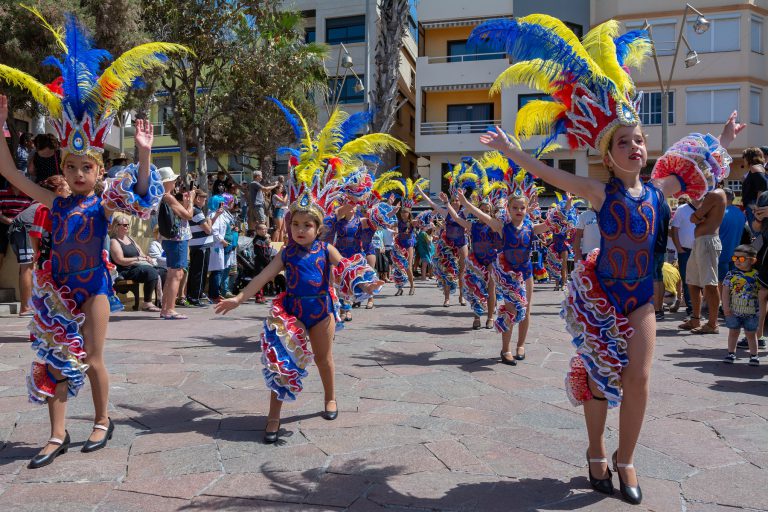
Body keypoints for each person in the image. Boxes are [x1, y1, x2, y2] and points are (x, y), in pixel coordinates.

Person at [469, 13, 743, 504]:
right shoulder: (598, 191)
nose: (635, 146)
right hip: (601, 297)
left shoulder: (662, 190)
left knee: (638, 377)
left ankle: (626, 458)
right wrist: (514, 151)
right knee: (598, 380)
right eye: (624, 142)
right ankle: (596, 448)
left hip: (640, 299)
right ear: (609, 154)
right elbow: (549, 176)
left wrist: (722, 140)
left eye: (639, 139)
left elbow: (704, 166)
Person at [0, 16, 176, 468]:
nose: (79, 174)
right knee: (55, 358)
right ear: (66, 165)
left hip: (93, 286)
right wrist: (2, 128)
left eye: (87, 167)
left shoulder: (102, 203)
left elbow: (140, 200)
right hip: (57, 289)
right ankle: (57, 433)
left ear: (99, 171)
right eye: (73, 165)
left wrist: (143, 154)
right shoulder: (53, 201)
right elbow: (10, 173)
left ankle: (102, 419)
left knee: (94, 358)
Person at [679, 181, 727, 334]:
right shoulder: (712, 195)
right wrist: (698, 216)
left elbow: (694, 217)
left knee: (710, 283)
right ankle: (695, 318)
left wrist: (698, 216)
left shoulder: (715, 194)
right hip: (701, 242)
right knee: (692, 282)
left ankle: (713, 324)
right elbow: (695, 218)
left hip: (707, 242)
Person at [158, 168, 194, 319]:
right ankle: (169, 309)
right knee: (176, 273)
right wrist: (191, 200)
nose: (174, 182)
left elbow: (182, 215)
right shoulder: (168, 197)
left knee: (173, 272)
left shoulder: (163, 196)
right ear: (167, 181)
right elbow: (188, 215)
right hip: (177, 239)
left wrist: (185, 203)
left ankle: (166, 308)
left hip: (170, 239)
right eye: (172, 180)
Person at [109, 214, 162, 312]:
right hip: (124, 270)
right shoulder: (114, 241)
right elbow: (120, 260)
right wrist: (137, 259)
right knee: (150, 271)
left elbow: (141, 254)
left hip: (135, 267)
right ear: (116, 226)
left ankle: (161, 301)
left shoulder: (130, 239)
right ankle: (147, 303)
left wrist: (146, 258)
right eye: (124, 225)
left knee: (162, 271)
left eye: (128, 225)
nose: (127, 227)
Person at [722, 245, 760, 365]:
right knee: (733, 332)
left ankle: (754, 355)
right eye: (735, 258)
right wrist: (726, 307)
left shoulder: (756, 275)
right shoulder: (731, 274)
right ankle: (731, 353)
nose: (737, 261)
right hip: (734, 311)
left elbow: (761, 293)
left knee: (751, 334)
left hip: (752, 312)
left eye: (742, 259)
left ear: (752, 260)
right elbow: (725, 291)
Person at [0, 182, 33, 315]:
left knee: (26, 265)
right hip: (6, 224)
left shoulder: (28, 195)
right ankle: (26, 307)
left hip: (22, 226)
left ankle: (26, 306)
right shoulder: (2, 193)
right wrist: (12, 222)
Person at [187, 190, 219, 307]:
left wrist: (213, 218)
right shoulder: (197, 211)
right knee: (199, 273)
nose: (205, 201)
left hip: (198, 245)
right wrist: (210, 221)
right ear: (197, 199)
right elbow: (208, 230)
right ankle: (195, 297)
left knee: (196, 272)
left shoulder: (196, 211)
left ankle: (193, 296)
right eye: (203, 198)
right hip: (201, 246)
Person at [28, 175, 70, 264]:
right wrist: (37, 253)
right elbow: (34, 235)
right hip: (47, 258)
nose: (70, 192)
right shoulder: (44, 209)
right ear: (59, 191)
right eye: (68, 189)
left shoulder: (67, 210)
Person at [670, 196, 696, 315]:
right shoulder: (682, 209)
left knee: (703, 282)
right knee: (687, 281)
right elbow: (674, 230)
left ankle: (699, 309)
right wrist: (679, 249)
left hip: (701, 250)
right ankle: (692, 310)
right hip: (685, 251)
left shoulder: (708, 207)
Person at [207, 194, 233, 303]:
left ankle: (216, 293)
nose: (223, 205)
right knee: (216, 270)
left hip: (220, 246)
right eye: (221, 203)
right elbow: (214, 231)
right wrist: (222, 240)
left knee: (219, 270)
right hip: (215, 246)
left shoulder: (221, 214)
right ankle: (214, 295)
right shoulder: (213, 214)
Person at [718, 188, 747, 284]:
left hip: (721, 254)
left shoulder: (721, 213)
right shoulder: (740, 213)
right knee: (733, 282)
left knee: (721, 283)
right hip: (735, 254)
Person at [653, 197, 672, 320]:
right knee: (658, 277)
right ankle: (659, 309)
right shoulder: (665, 204)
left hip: (651, 245)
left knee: (654, 278)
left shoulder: (651, 201)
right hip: (661, 245)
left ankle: (655, 309)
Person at [740, 147, 767, 230]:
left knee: (758, 233)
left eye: (744, 157)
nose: (743, 160)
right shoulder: (760, 168)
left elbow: (762, 187)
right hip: (754, 205)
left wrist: (757, 207)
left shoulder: (754, 168)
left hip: (753, 206)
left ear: (749, 158)